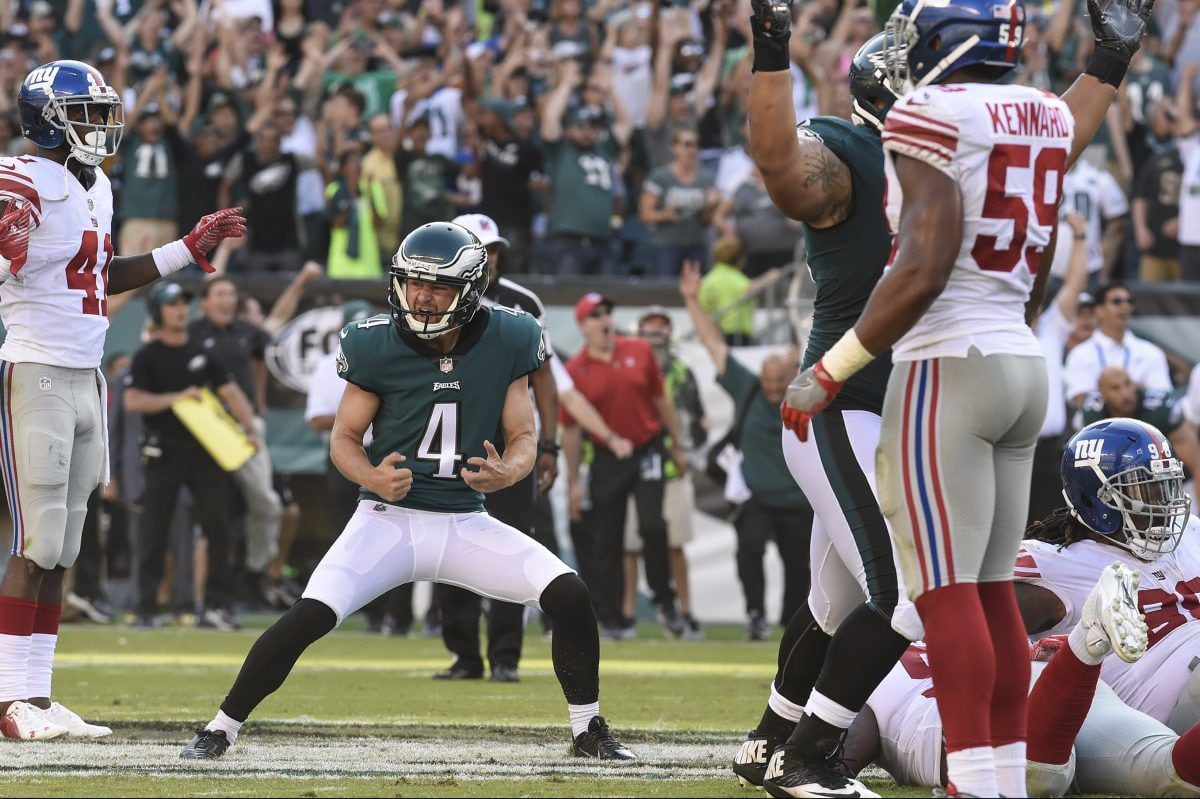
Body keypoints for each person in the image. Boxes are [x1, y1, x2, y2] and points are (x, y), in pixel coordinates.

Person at [777, 0, 1155, 792]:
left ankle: (979, 784)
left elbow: (923, 263)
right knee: (989, 596)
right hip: (1020, 360)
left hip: (949, 362)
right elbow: (1039, 258)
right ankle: (1003, 779)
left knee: (943, 598)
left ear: (946, 45)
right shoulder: (1043, 117)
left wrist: (832, 368)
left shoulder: (931, 112)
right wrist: (1110, 59)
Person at [180, 222, 636, 764]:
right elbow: (344, 439)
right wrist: (371, 476)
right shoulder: (374, 341)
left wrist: (509, 472)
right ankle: (220, 728)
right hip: (386, 518)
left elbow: (523, 435)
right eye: (413, 283)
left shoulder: (510, 335)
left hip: (464, 520)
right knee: (310, 615)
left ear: (471, 288)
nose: (421, 297)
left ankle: (588, 730)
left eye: (438, 286)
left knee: (570, 594)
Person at [0, 60, 244, 742]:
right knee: (36, 537)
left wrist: (186, 250)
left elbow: (100, 275)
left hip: (87, 373)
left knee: (64, 545)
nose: (102, 125)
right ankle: (8, 698)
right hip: (36, 369)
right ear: (49, 120)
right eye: (87, 113)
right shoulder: (19, 178)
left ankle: (38, 695)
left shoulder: (97, 184)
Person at [736, 22, 914, 798]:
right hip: (845, 406)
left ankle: (767, 742)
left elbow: (1053, 143)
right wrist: (772, 54)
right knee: (905, 593)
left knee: (835, 605)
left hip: (896, 418)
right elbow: (781, 167)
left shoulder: (957, 163)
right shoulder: (853, 151)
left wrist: (1109, 63)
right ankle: (809, 757)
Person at [843, 604, 1200, 796]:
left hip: (998, 710)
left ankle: (1085, 644)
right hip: (1052, 681)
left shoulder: (860, 674)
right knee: (1172, 774)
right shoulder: (955, 628)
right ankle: (1082, 649)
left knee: (1033, 778)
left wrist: (833, 761)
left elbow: (839, 750)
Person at [429, 212, 562, 683]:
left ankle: (505, 655)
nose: (491, 259)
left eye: (495, 251)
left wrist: (549, 443)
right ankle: (464, 654)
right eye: (482, 251)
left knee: (510, 543)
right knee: (448, 545)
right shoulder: (431, 295)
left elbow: (544, 376)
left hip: (506, 440)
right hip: (449, 435)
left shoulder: (523, 304)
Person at [1017, 418, 1200, 733]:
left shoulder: (1190, 532)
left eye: (1167, 486)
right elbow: (974, 635)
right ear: (1096, 500)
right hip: (1158, 724)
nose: (1164, 504)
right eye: (1146, 490)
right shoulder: (1054, 565)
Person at [680, 263, 813, 641]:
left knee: (799, 566)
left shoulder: (806, 394)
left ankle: (791, 624)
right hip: (756, 496)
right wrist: (691, 300)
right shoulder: (748, 388)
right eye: (768, 381)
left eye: (778, 382)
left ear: (792, 377)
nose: (772, 389)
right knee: (748, 549)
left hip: (798, 498)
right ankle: (756, 615)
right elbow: (715, 346)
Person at [124, 282, 260, 632]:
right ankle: (145, 607)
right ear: (158, 313)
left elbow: (231, 390)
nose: (181, 310)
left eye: (184, 303)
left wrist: (249, 429)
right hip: (163, 453)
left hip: (204, 453)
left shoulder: (202, 352)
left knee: (218, 529)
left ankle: (217, 605)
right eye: (172, 305)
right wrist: (176, 398)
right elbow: (133, 401)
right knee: (154, 531)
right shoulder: (148, 356)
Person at [561, 292, 688, 640]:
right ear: (583, 326)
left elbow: (662, 400)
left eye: (607, 312)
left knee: (653, 526)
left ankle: (665, 601)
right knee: (607, 538)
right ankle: (613, 618)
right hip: (606, 458)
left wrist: (677, 445)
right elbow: (570, 431)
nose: (605, 319)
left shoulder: (639, 350)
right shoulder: (575, 371)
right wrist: (573, 483)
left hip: (647, 448)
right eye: (596, 315)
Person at [188, 277, 283, 611]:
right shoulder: (192, 333)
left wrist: (258, 404)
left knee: (268, 503)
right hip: (208, 427)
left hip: (245, 427)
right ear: (205, 301)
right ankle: (199, 598)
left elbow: (263, 356)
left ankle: (256, 569)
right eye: (219, 294)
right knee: (210, 518)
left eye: (231, 294)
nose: (227, 300)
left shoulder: (247, 331)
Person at [621, 306, 706, 640]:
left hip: (671, 469)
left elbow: (698, 419)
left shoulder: (681, 372)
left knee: (675, 544)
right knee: (629, 546)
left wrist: (683, 448)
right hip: (633, 467)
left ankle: (685, 612)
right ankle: (627, 614)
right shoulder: (626, 369)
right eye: (650, 328)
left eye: (662, 328)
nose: (656, 334)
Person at [1064, 282, 1172, 407]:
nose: (1125, 306)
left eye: (1129, 301)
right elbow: (1079, 398)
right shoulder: (1080, 354)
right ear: (1099, 310)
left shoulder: (1151, 352)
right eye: (1117, 301)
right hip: (1098, 421)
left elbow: (1162, 398)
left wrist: (1111, 392)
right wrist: (1133, 390)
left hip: (1139, 420)